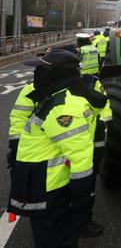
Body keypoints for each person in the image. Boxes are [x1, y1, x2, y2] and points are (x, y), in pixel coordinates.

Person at [8, 48, 108, 247]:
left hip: (48, 189)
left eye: (43, 69)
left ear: (56, 73)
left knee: (54, 240)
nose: (37, 74)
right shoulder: (53, 96)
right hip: (45, 184)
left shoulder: (63, 108)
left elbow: (81, 160)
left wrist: (80, 204)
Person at [6, 81, 35, 168]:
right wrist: (16, 147)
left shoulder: (32, 87)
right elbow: (19, 118)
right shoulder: (32, 87)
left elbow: (19, 118)